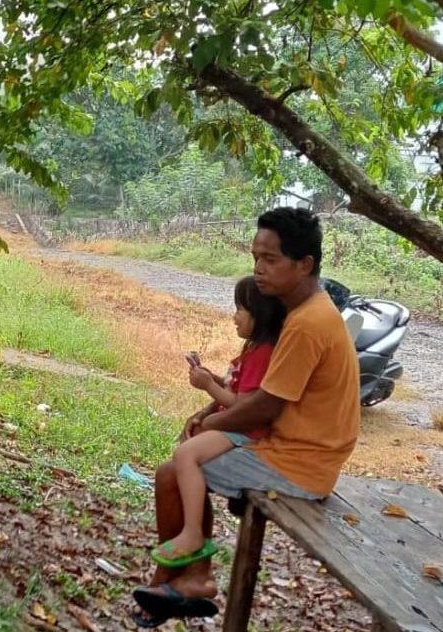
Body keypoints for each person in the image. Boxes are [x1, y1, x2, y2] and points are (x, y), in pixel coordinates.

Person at [131, 207, 361, 627]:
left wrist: (209, 423)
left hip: (300, 462)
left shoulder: (308, 323)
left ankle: (182, 578)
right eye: (255, 257)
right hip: (292, 447)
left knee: (173, 471)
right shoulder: (304, 311)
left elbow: (266, 405)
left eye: (270, 260)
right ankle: (186, 578)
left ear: (305, 264)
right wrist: (210, 412)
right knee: (177, 466)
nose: (258, 269)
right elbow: (257, 394)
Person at [150, 276, 287, 568]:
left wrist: (207, 388)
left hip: (245, 430)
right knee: (186, 449)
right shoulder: (253, 348)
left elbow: (244, 404)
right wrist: (210, 378)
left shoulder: (263, 353)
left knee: (185, 454)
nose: (234, 316)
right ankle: (191, 540)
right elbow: (235, 387)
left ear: (259, 314)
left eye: (240, 309)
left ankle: (192, 533)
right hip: (236, 425)